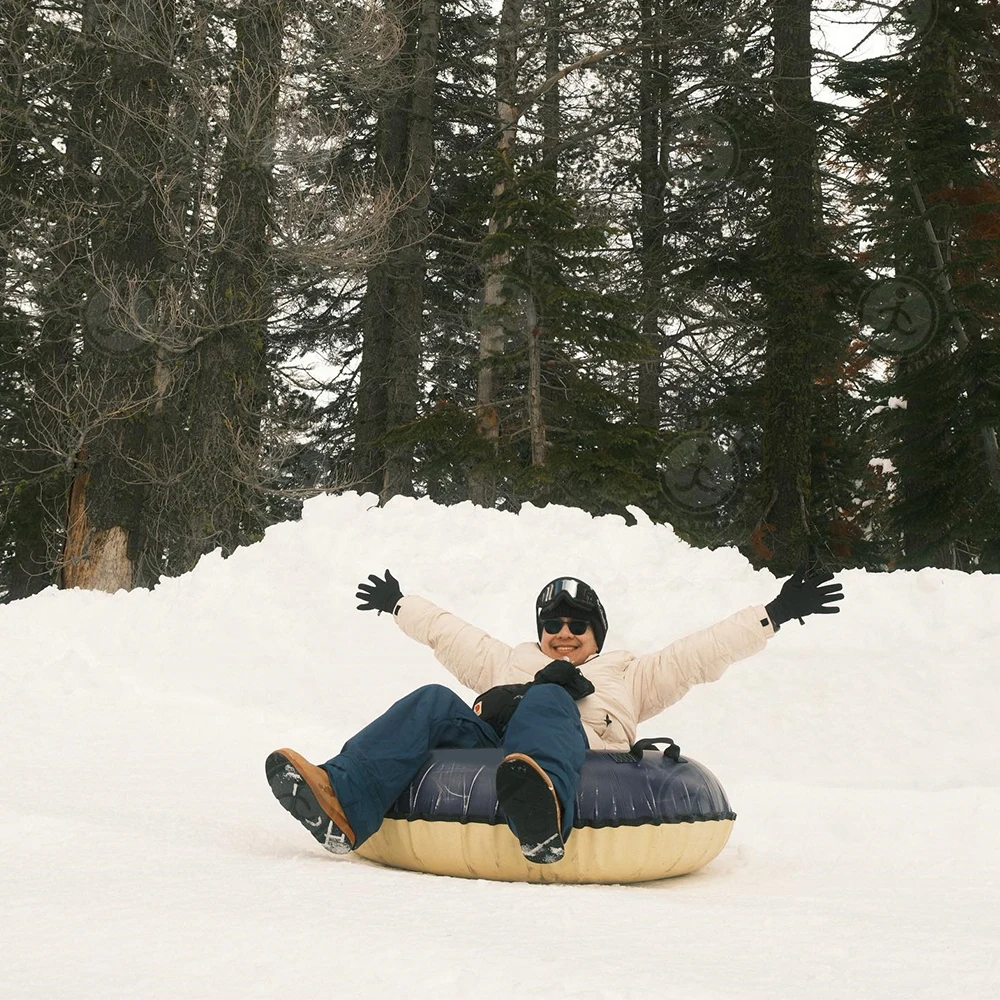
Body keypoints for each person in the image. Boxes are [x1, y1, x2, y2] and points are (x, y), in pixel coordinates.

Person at [266, 568, 843, 864]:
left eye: (577, 625)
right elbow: (450, 634)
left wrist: (774, 613)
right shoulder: (511, 659)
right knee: (431, 699)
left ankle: (543, 813)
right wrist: (401, 605)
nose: (563, 634)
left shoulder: (628, 673)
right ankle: (341, 799)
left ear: (596, 635)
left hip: (584, 750)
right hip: (502, 750)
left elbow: (697, 654)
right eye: (553, 624)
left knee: (548, 695)